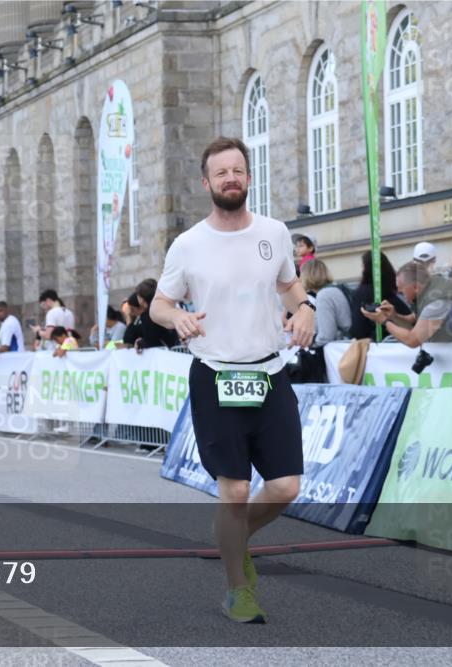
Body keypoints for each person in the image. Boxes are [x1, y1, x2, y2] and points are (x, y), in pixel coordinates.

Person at [150, 137, 314, 624]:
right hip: (216, 375)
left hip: (268, 372)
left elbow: (288, 285)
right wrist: (175, 318)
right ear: (206, 183)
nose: (230, 178)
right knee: (235, 490)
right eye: (221, 172)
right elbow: (160, 303)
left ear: (249, 176)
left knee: (286, 486)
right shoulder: (188, 244)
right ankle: (237, 589)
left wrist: (304, 309)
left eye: (238, 170)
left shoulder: (274, 232)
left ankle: (235, 540)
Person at [361, 260, 452, 346]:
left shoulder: (437, 301)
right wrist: (393, 316)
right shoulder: (431, 285)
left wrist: (384, 321)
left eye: (402, 289)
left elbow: (413, 340)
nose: (399, 293)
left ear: (415, 287)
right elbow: (414, 322)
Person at [348, 251, 412, 341]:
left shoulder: (363, 293)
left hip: (376, 347)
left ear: (366, 268)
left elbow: (359, 329)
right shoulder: (393, 290)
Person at [300, 259, 352, 347]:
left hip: (342, 348)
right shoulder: (332, 290)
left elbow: (327, 335)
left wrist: (311, 345)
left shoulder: (324, 296)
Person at [127, 278, 180, 353]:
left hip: (165, 353)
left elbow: (151, 341)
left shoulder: (147, 315)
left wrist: (140, 343)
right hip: (175, 349)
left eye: (138, 295)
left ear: (141, 299)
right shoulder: (165, 307)